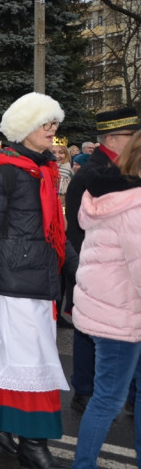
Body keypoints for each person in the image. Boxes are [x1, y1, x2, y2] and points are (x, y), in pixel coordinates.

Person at [0, 92, 74, 469]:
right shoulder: (6, 171)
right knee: (32, 362)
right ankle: (33, 445)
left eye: (54, 123)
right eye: (45, 123)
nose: (52, 130)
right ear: (25, 129)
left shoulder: (41, 170)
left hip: (36, 279)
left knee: (11, 360)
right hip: (12, 284)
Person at [63, 130, 141, 469]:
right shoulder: (134, 207)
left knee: (127, 393)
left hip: (117, 308)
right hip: (119, 313)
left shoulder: (113, 197)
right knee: (108, 399)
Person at [64, 107, 140, 413]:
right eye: (132, 135)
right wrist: (86, 264)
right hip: (96, 264)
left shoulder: (122, 165)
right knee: (87, 330)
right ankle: (84, 390)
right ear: (112, 137)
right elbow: (75, 225)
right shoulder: (92, 173)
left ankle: (127, 392)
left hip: (119, 265)